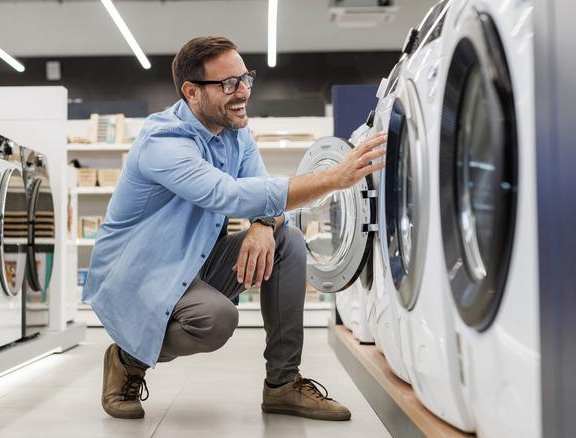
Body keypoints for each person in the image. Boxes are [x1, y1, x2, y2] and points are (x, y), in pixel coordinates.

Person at [83, 36, 386, 421]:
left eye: (246, 79)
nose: (243, 91)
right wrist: (333, 178)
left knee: (286, 240)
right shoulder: (163, 141)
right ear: (192, 92)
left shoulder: (235, 131)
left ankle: (282, 384)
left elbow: (261, 193)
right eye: (229, 84)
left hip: (197, 258)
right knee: (216, 320)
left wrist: (262, 225)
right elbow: (227, 194)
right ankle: (126, 357)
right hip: (141, 272)